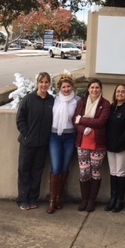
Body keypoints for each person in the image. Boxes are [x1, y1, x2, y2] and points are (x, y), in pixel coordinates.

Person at [16, 72, 54, 210]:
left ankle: (33, 198)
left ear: (49, 84)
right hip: (28, 143)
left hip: (42, 144)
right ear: (37, 83)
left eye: (46, 82)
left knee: (37, 171)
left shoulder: (52, 101)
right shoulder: (28, 99)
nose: (44, 85)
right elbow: (20, 119)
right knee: (24, 170)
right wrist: (27, 135)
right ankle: (23, 199)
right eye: (41, 82)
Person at [73, 78, 111, 212]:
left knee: (95, 172)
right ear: (88, 89)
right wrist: (83, 128)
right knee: (84, 172)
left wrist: (82, 120)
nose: (94, 90)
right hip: (82, 143)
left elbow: (101, 122)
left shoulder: (105, 104)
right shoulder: (82, 102)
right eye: (92, 87)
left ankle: (92, 200)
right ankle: (84, 199)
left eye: (97, 87)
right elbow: (75, 120)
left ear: (101, 89)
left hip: (98, 144)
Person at [47, 73, 80, 214]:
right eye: (63, 87)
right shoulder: (54, 100)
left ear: (72, 87)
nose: (66, 89)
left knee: (65, 167)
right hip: (55, 136)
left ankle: (59, 197)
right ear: (59, 88)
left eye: (68, 86)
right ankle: (52, 200)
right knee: (56, 168)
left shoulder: (77, 101)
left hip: (70, 137)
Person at [105, 83, 125, 212]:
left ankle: (120, 200)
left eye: (123, 92)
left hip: (123, 147)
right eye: (118, 91)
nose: (120, 94)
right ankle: (113, 199)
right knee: (113, 172)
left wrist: (118, 142)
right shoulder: (112, 108)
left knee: (120, 172)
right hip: (110, 146)